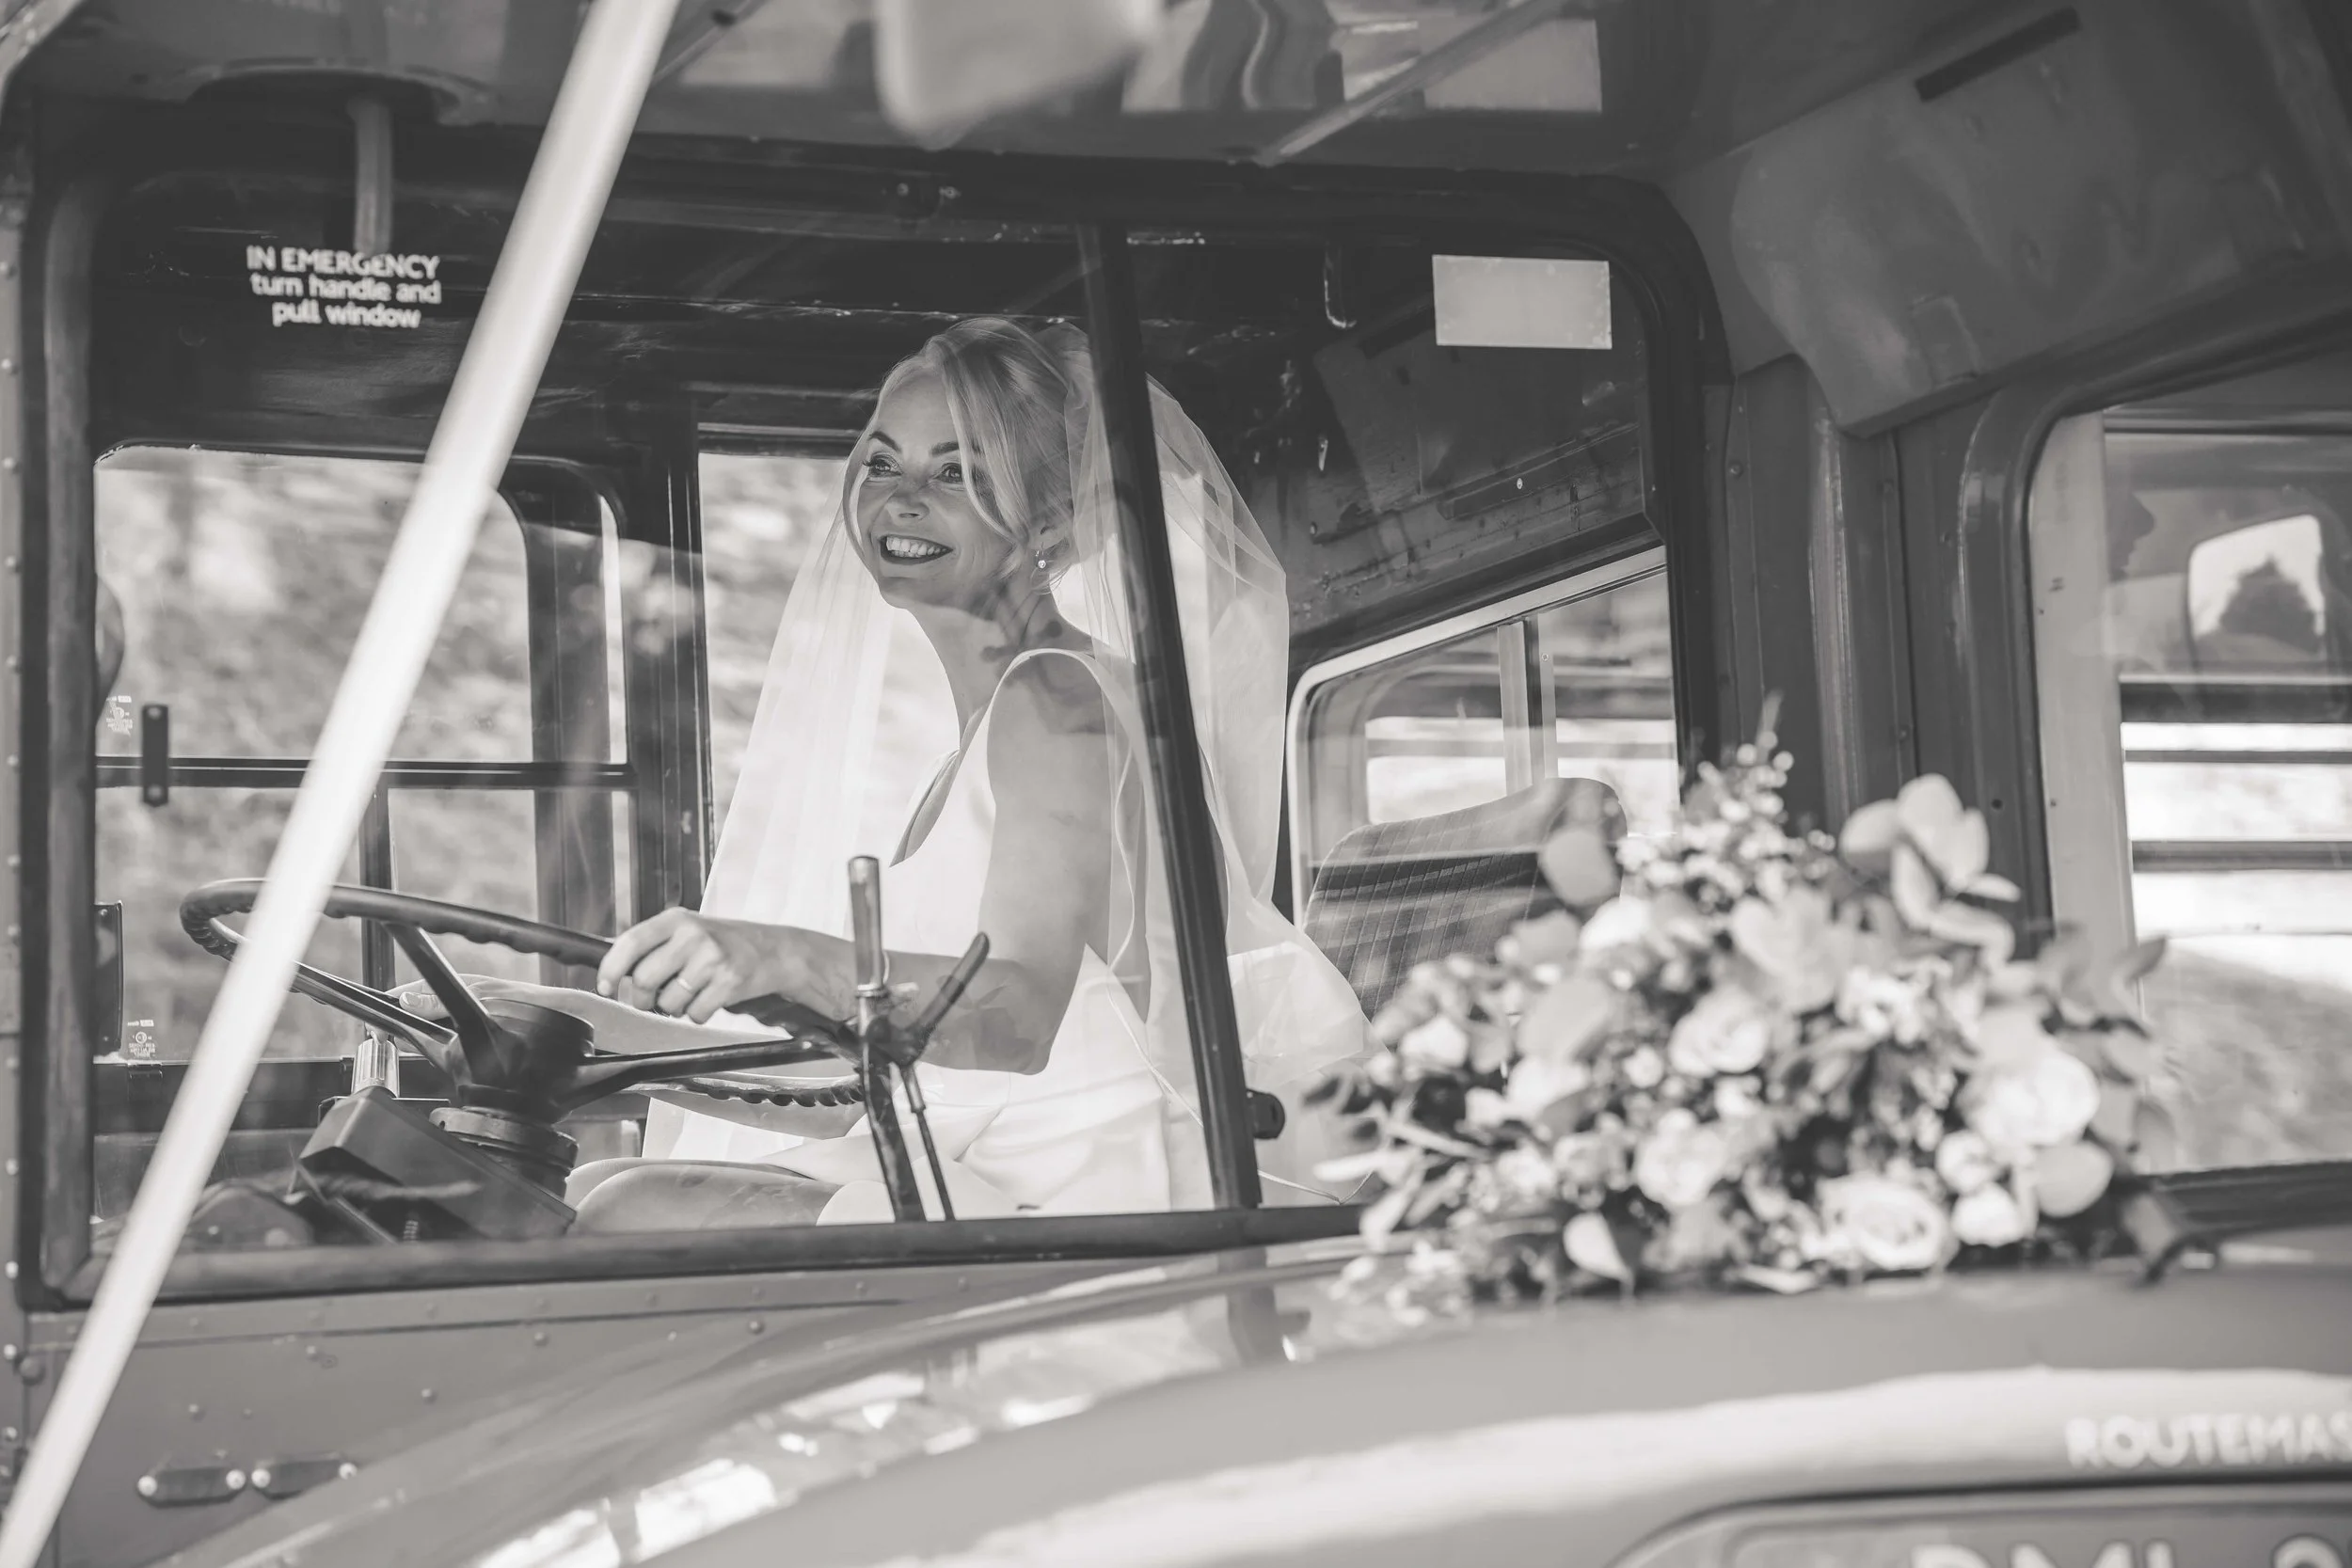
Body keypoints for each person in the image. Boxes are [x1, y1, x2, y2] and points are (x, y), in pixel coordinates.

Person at [416, 318, 1366, 1227]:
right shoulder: (985, 737)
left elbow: (1015, 1014)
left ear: (1053, 522)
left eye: (959, 471)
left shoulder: (1057, 703)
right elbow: (874, 1082)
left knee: (621, 1207)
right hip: (971, 1158)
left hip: (1075, 1191)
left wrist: (777, 951)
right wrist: (583, 1028)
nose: (902, 497)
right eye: (882, 461)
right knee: (610, 1188)